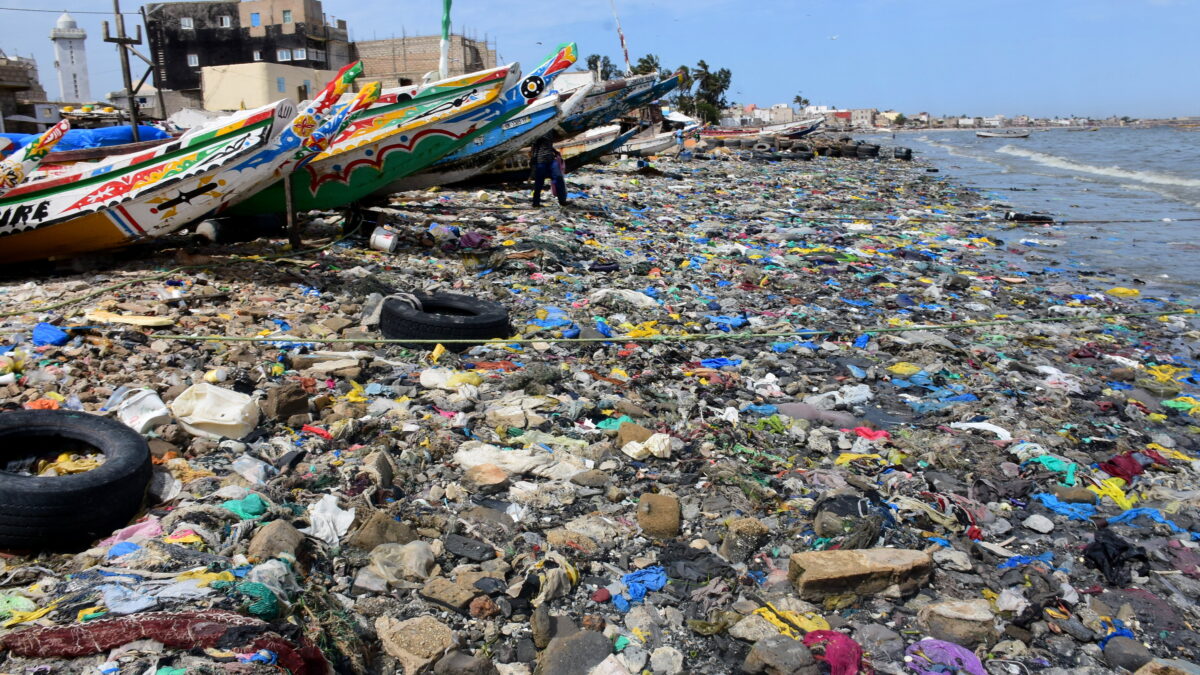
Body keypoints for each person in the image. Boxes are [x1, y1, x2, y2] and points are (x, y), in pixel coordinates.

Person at [530, 133, 566, 207]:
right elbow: (534, 147)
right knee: (539, 183)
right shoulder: (539, 130)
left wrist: (555, 151)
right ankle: (536, 203)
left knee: (559, 178)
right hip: (541, 161)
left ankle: (562, 201)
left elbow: (549, 144)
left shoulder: (550, 130)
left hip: (551, 159)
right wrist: (533, 162)